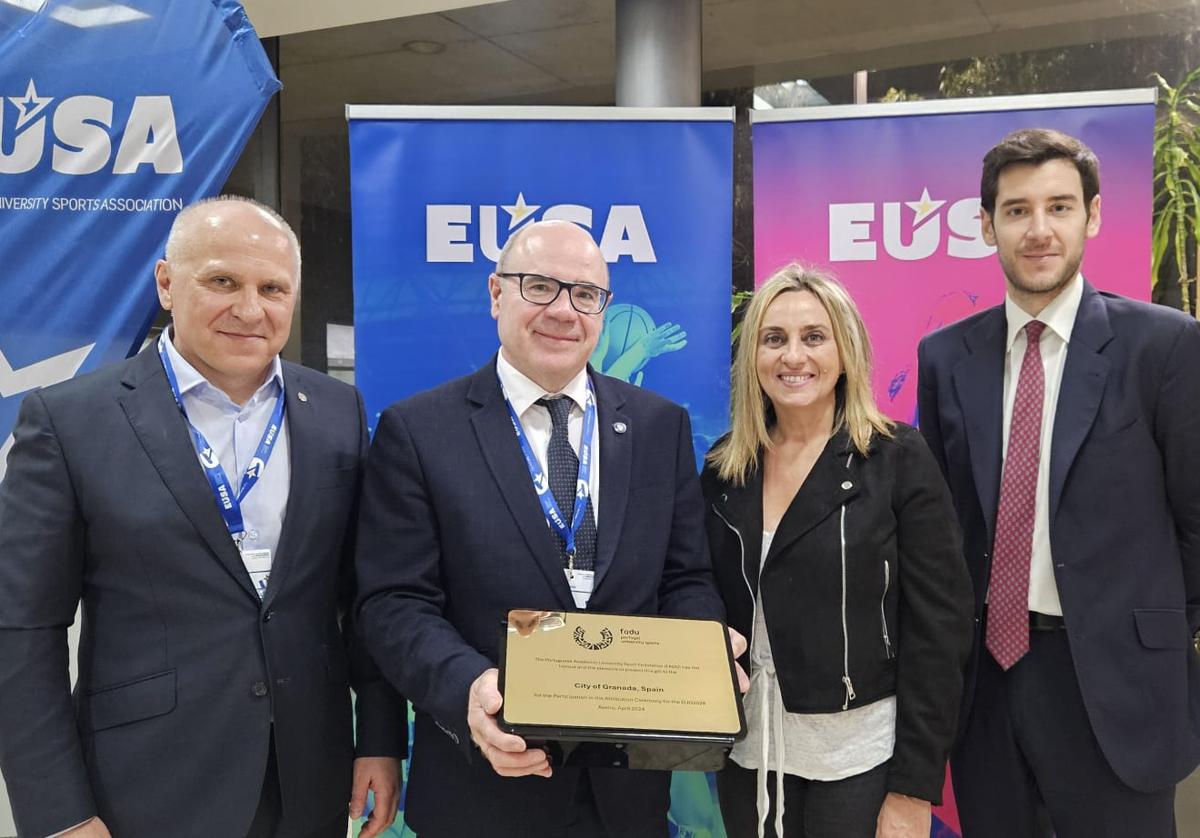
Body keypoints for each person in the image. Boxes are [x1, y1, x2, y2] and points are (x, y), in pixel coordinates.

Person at [0, 197, 406, 838]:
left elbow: (362, 598)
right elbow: (22, 629)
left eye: (273, 288)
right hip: (144, 791)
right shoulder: (70, 421)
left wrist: (379, 739)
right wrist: (58, 813)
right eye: (223, 281)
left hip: (308, 783)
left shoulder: (336, 411)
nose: (251, 309)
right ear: (166, 283)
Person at [354, 219, 743, 838]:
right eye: (540, 286)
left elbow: (684, 577)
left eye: (586, 294)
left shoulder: (657, 426)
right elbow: (395, 603)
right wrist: (469, 690)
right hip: (484, 787)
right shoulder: (420, 431)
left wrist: (703, 653)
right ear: (495, 294)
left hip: (627, 796)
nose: (564, 311)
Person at [917, 128, 1200, 837]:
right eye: (1016, 211)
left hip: (1116, 688)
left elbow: (1196, 522)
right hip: (987, 688)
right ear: (986, 226)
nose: (1038, 230)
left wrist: (1143, 634)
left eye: (1059, 207)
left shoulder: (1165, 347)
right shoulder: (945, 358)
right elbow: (944, 533)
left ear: (1093, 216)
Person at [702, 265, 974, 838]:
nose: (792, 356)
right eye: (773, 339)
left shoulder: (897, 459)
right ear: (752, 356)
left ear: (846, 352)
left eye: (813, 337)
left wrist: (912, 789)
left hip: (858, 765)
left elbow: (939, 630)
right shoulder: (726, 468)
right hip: (746, 753)